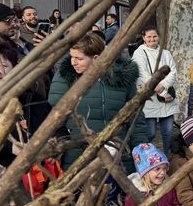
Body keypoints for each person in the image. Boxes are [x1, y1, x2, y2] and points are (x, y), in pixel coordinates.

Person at [48, 33, 148, 168]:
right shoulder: (65, 79)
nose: (73, 62)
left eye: (79, 58)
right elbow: (54, 119)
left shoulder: (123, 78)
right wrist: (60, 145)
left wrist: (140, 150)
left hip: (119, 155)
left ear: (96, 58)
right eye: (72, 57)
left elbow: (136, 118)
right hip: (78, 156)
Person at [131, 26, 178, 153]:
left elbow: (173, 71)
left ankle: (169, 156)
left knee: (168, 132)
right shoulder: (139, 53)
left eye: (154, 36)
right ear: (144, 38)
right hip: (150, 98)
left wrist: (164, 86)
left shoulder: (166, 53)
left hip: (167, 99)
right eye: (149, 37)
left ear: (158, 37)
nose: (152, 39)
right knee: (150, 133)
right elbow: (142, 75)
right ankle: (148, 157)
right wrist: (162, 92)